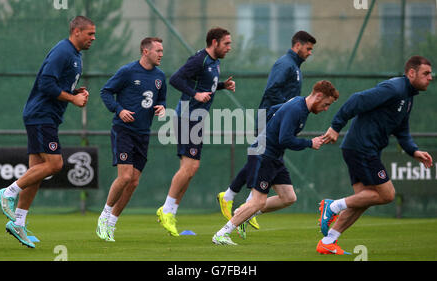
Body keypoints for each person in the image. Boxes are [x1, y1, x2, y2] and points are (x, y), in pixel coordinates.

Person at [0, 16, 95, 248]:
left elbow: (58, 85)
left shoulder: (76, 56)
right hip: (41, 115)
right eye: (89, 33)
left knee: (37, 172)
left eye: (94, 34)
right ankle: (8, 192)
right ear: (77, 32)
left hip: (47, 117)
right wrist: (73, 99)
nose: (93, 38)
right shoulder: (63, 51)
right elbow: (46, 85)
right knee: (54, 164)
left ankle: (18, 223)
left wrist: (75, 90)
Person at [317, 55, 433, 255]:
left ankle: (328, 241)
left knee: (364, 199)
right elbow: (357, 100)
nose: (430, 77)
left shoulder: (408, 97)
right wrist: (336, 126)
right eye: (426, 73)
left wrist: (414, 151)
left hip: (362, 149)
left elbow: (402, 131)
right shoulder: (394, 88)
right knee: (387, 195)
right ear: (411, 73)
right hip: (362, 148)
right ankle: (332, 206)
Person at [213, 80, 339, 245]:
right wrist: (310, 143)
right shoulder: (296, 109)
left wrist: (268, 132)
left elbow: (272, 110)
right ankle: (222, 234)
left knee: (288, 197)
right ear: (319, 96)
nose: (326, 109)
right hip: (264, 156)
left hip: (274, 156)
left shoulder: (298, 102)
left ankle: (244, 212)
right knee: (258, 201)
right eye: (326, 104)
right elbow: (285, 138)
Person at [217, 31, 316, 230]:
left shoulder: (295, 66)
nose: (310, 53)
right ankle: (238, 201)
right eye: (308, 48)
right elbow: (272, 90)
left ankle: (241, 202)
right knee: (262, 157)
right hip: (269, 118)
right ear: (297, 45)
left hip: (276, 119)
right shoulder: (285, 64)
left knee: (266, 161)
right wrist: (286, 110)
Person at [156, 27, 235, 236]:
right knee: (190, 167)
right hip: (186, 117)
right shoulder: (199, 59)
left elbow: (204, 85)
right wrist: (195, 95)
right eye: (226, 43)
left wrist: (223, 86)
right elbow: (175, 79)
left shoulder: (215, 63)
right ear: (214, 42)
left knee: (191, 168)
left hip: (196, 120)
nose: (229, 47)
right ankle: (166, 209)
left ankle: (170, 211)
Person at [97, 37, 166, 242]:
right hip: (124, 130)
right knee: (125, 176)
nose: (161, 54)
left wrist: (161, 107)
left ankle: (111, 223)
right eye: (158, 51)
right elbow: (106, 92)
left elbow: (161, 98)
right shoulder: (127, 71)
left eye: (162, 51)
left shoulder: (160, 76)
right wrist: (119, 110)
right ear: (145, 51)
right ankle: (104, 215)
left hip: (143, 133)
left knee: (133, 182)